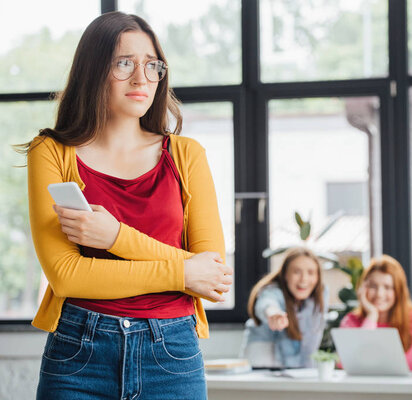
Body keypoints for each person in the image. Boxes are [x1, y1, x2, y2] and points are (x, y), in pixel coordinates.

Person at [24, 12, 233, 399]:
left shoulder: (186, 154)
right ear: (93, 69)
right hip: (78, 354)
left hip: (171, 355)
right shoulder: (51, 152)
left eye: (152, 65)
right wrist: (183, 273)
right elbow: (68, 276)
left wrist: (116, 237)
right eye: (124, 63)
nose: (142, 78)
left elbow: (213, 275)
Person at [340, 255, 412, 371]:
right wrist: (371, 317)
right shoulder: (350, 322)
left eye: (387, 287)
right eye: (373, 286)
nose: (379, 294)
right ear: (363, 288)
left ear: (398, 291)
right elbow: (350, 365)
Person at [241, 247, 328, 368]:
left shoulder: (319, 296)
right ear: (285, 274)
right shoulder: (272, 291)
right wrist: (273, 314)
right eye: (297, 272)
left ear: (318, 277)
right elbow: (267, 303)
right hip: (263, 364)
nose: (304, 279)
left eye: (311, 272)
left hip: (300, 368)